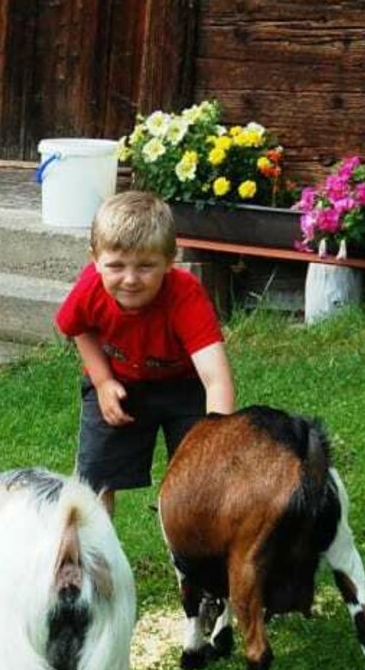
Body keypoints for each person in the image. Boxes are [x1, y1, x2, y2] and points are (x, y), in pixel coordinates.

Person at [54, 189, 235, 517]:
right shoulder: (90, 289)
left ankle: (197, 557)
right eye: (116, 265)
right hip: (118, 379)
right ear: (95, 260)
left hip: (183, 386)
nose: (130, 279)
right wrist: (103, 381)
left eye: (146, 266)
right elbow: (78, 328)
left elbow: (216, 379)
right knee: (94, 479)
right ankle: (97, 558)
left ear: (170, 261)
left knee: (200, 477)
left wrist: (215, 441)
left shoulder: (185, 296)